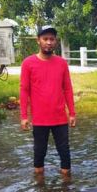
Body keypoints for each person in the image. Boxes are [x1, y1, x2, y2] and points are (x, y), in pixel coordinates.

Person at [20, 25, 76, 177]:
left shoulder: (62, 63)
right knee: (39, 153)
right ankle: (40, 186)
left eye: (52, 39)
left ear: (55, 42)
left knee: (65, 153)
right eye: (45, 39)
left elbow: (67, 89)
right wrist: (24, 117)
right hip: (39, 119)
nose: (49, 42)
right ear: (38, 41)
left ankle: (66, 187)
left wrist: (72, 113)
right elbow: (24, 90)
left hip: (59, 118)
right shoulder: (28, 63)